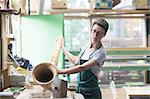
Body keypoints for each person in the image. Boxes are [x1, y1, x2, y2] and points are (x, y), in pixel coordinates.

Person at [57, 18, 109, 99]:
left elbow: (82, 67)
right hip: (80, 90)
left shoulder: (100, 53)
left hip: (91, 93)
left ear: (104, 34)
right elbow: (75, 61)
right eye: (94, 31)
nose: (95, 35)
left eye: (99, 33)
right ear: (91, 30)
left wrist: (59, 71)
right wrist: (62, 48)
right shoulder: (87, 46)